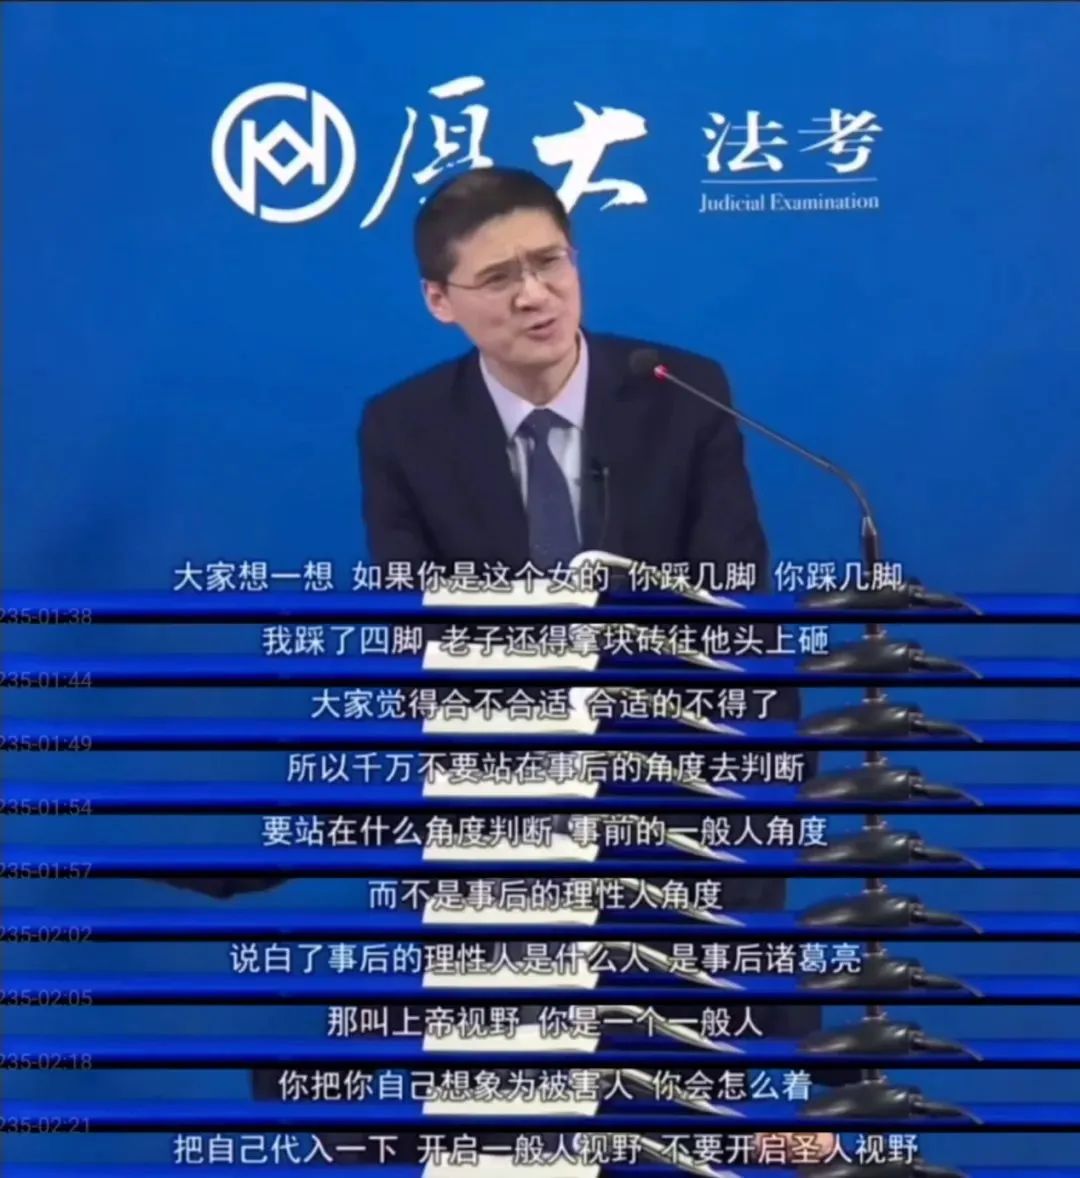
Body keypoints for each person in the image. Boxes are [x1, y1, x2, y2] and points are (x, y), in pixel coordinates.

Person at [356, 166, 843, 1163]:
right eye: (499, 278)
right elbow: (423, 633)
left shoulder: (680, 390)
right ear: (441, 300)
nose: (534, 294)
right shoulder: (403, 427)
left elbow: (731, 606)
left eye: (550, 263)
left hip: (684, 769)